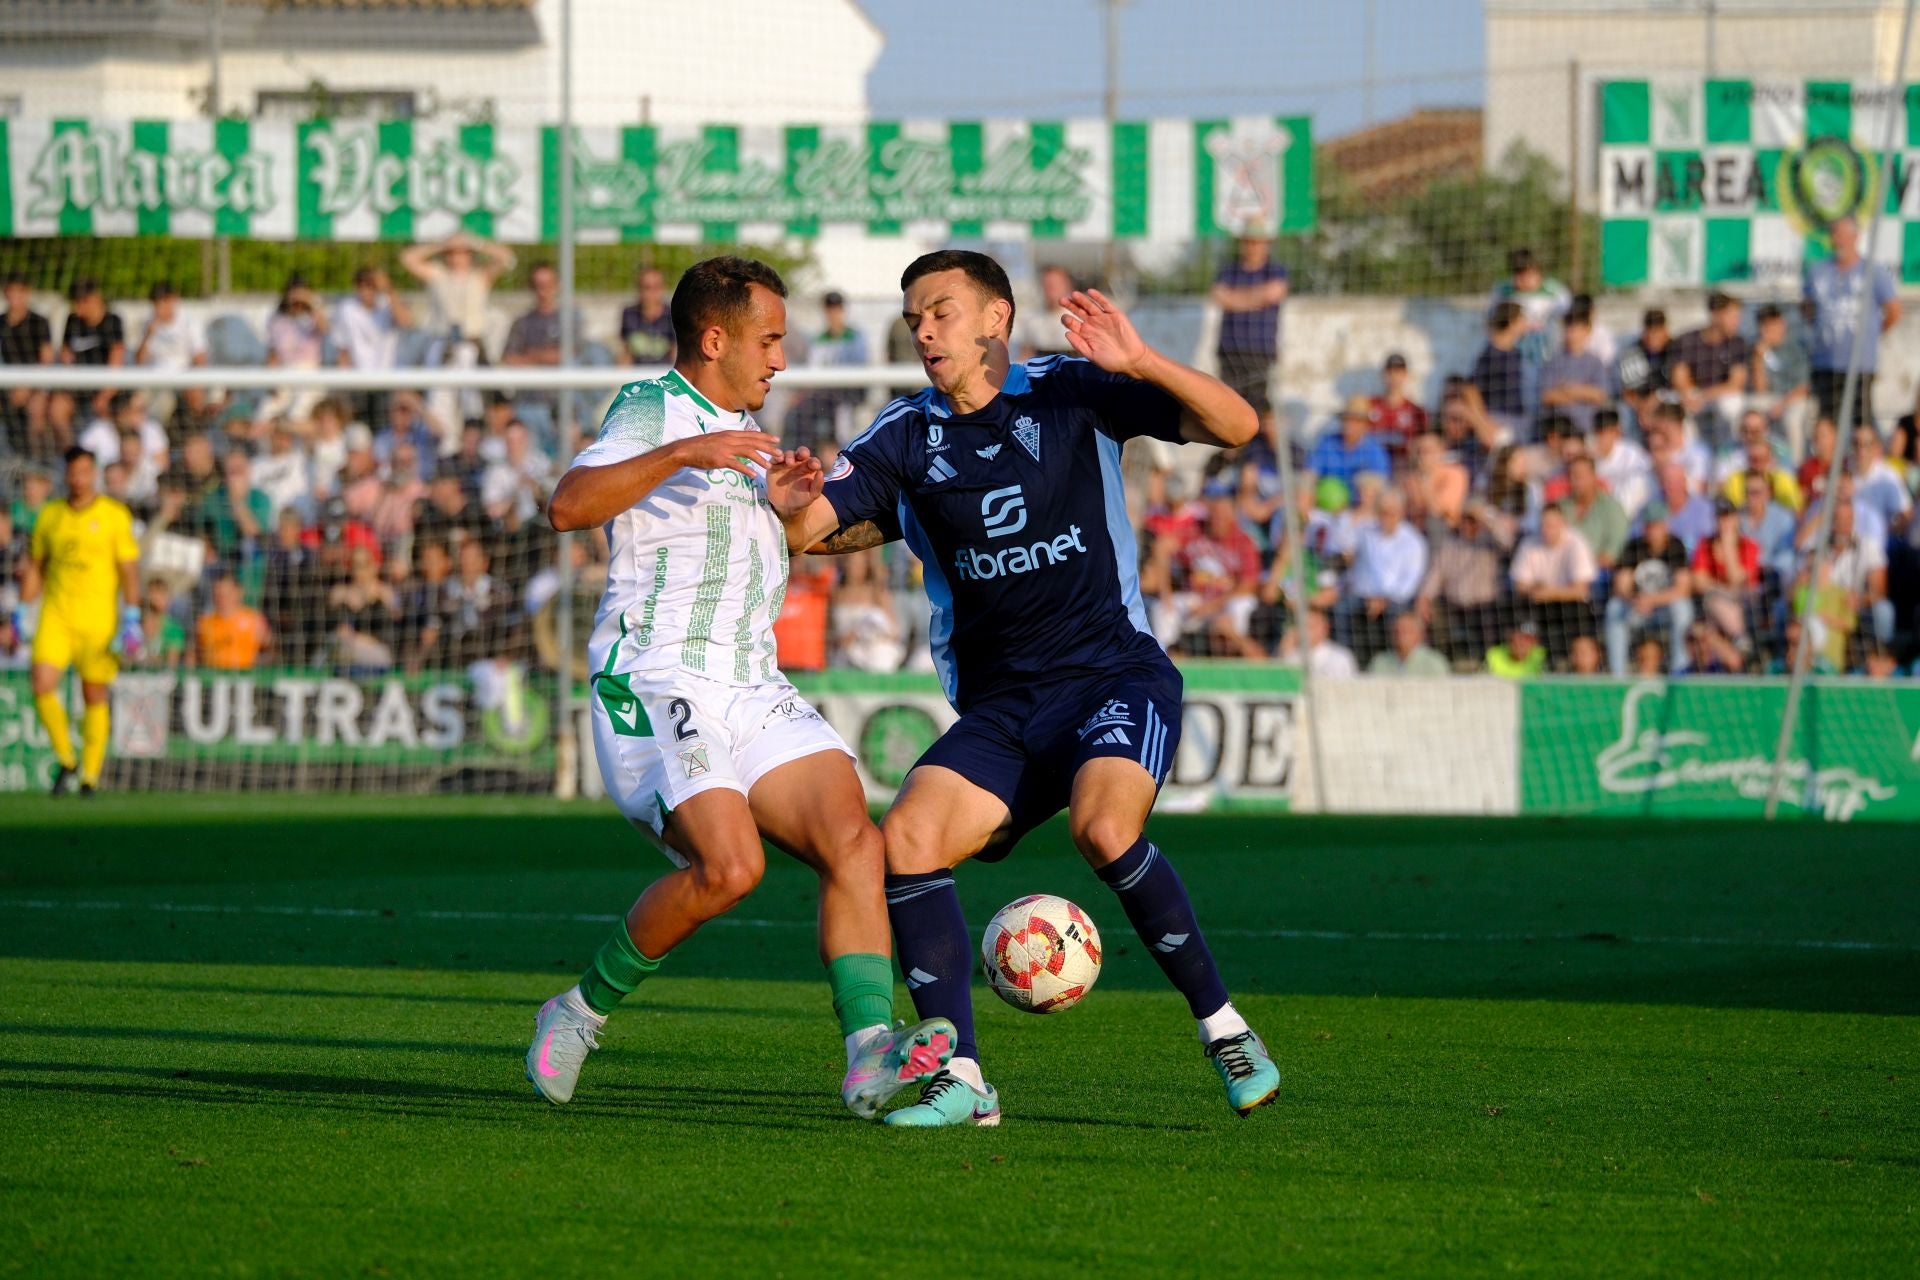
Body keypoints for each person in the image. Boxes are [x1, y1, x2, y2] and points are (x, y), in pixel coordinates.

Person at [766, 248, 1280, 1125]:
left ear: (996, 318)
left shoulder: (1073, 389)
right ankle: (960, 1078)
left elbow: (1238, 427)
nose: (924, 328)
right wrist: (788, 507)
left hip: (1112, 674)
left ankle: (1226, 1030)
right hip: (1004, 711)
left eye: (943, 310)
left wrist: (1144, 360)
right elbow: (814, 528)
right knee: (909, 838)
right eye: (914, 315)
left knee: (1103, 828)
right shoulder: (904, 436)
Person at [530, 255, 954, 1120]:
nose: (780, 359)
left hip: (751, 682)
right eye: (769, 339)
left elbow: (776, 542)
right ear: (714, 338)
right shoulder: (655, 408)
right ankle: (577, 1011)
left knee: (855, 844)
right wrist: (689, 448)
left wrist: (791, 506)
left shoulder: (751, 433)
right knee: (729, 869)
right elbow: (568, 505)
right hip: (657, 676)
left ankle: (870, 1054)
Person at [24, 446, 141, 795]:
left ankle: (90, 775)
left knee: (94, 694)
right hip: (56, 615)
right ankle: (67, 758)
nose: (78, 479)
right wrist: (19, 608)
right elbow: (37, 566)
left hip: (98, 619)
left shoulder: (113, 515)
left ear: (94, 473)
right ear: (66, 474)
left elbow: (129, 570)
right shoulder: (50, 515)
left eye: (85, 471)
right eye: (73, 472)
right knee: (42, 683)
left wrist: (132, 614)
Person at [1804, 215, 1902, 428]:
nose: (1836, 240)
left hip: (1859, 363)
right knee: (1828, 422)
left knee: (1862, 422)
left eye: (1841, 234)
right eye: (1833, 234)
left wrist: (1874, 332)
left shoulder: (1873, 272)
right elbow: (1807, 307)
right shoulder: (1818, 271)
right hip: (1826, 362)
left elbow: (1894, 310)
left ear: (1854, 237)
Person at [1603, 501, 1694, 676]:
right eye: (1649, 526)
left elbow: (1683, 588)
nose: (1653, 531)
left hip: (1664, 610)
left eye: (1657, 525)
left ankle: (1679, 671)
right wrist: (1636, 599)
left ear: (1665, 525)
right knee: (1614, 608)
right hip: (1637, 608)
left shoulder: (1676, 546)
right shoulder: (1633, 546)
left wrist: (1652, 600)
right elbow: (1621, 585)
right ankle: (1618, 675)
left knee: (1683, 609)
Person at [1209, 233, 1288, 423]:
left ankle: (1255, 448)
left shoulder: (1274, 270)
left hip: (1260, 351)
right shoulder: (1229, 269)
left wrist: (1236, 299)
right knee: (1228, 406)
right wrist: (1257, 298)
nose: (1252, 247)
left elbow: (1275, 292)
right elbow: (1218, 296)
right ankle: (1235, 451)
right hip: (1229, 351)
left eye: (1257, 242)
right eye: (1248, 241)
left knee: (1257, 407)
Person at [400, 230, 514, 357]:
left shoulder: (480, 276)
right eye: (451, 253)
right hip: (443, 341)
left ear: (470, 255)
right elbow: (407, 258)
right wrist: (441, 244)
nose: (456, 258)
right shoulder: (437, 274)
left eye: (462, 253)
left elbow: (506, 257)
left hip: (473, 340)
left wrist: (475, 242)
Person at [1510, 504, 1596, 660]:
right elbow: (1519, 584)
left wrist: (1550, 592)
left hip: (1571, 606)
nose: (1546, 529)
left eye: (1551, 525)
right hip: (1538, 603)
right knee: (1516, 613)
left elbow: (1581, 590)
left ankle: (1568, 661)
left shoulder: (1577, 544)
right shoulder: (1529, 544)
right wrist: (1536, 590)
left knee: (1576, 614)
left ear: (1563, 524)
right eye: (1543, 525)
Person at [48, 280, 125, 450]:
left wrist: (104, 396)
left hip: (107, 387)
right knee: (56, 408)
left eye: (81, 302)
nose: (77, 308)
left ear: (95, 299)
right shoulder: (73, 320)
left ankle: (114, 456)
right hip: (79, 386)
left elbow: (116, 361)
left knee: (118, 414)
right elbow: (65, 354)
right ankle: (71, 456)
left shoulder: (112, 321)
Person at [1669, 291, 1749, 446]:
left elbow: (1736, 383)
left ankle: (1728, 451)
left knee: (1732, 403)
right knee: (1673, 405)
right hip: (1692, 395)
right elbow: (1679, 376)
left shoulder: (1738, 343)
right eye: (1732, 317)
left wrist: (1702, 396)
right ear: (1715, 315)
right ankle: (1685, 453)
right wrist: (1690, 394)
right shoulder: (1687, 340)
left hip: (1716, 396)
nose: (1736, 322)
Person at [334, 266, 413, 425]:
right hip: (358, 383)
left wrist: (389, 289)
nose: (366, 291)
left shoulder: (387, 305)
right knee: (360, 430)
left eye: (371, 286)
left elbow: (405, 321)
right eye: (362, 286)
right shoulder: (347, 309)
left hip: (386, 381)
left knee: (384, 429)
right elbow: (343, 350)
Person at [134, 281, 211, 424]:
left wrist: (193, 384)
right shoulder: (148, 325)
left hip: (182, 379)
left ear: (173, 300)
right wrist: (148, 335)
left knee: (195, 396)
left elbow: (201, 360)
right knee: (136, 402)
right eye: (156, 304)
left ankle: (197, 432)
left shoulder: (190, 324)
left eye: (162, 303)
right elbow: (138, 361)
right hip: (154, 379)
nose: (158, 309)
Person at [1, 273, 55, 458]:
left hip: (35, 384)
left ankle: (37, 464)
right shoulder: (1, 323)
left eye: (19, 291)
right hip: (7, 385)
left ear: (26, 293)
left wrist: (27, 386)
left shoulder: (39, 322)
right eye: (11, 291)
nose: (14, 296)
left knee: (36, 409)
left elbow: (46, 360)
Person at [1487, 247, 1570, 366]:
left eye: (1526, 274)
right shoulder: (1502, 292)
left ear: (1536, 270)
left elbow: (1567, 322)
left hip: (1547, 353)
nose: (1522, 280)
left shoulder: (1556, 292)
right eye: (1517, 274)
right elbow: (1491, 321)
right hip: (1511, 354)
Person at [1750, 302, 1812, 457]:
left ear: (1782, 324)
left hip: (1795, 399)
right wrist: (1758, 358)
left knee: (1792, 418)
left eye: (1771, 326)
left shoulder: (1797, 346)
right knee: (1747, 412)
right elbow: (1760, 390)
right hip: (1770, 399)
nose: (1767, 332)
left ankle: (1795, 464)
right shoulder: (1757, 348)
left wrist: (1782, 404)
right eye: (1764, 327)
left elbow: (1804, 387)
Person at [1539, 306, 1611, 435]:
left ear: (1587, 331)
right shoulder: (1554, 361)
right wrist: (1583, 393)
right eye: (1568, 328)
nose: (1571, 333)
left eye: (1576, 329)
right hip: (1559, 427)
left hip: (1588, 427)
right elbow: (1547, 396)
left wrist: (1568, 389)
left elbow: (1600, 395)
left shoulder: (1595, 362)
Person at [1469, 300, 1534, 439]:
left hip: (1520, 420)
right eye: (1522, 320)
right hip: (1498, 419)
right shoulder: (1490, 354)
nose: (1526, 324)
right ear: (1511, 322)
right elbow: (1470, 390)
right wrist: (1484, 422)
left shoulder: (1516, 353)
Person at [1307, 396, 1392, 495]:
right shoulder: (1327, 443)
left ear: (1365, 425)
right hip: (1325, 503)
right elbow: (1310, 472)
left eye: (1355, 420)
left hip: (1359, 505)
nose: (1349, 424)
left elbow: (1379, 482)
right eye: (1346, 419)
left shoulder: (1375, 450)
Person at [192, 573, 271, 671]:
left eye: (226, 594)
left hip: (243, 679)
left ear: (238, 592)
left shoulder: (255, 620)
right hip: (212, 680)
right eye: (217, 594)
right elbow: (193, 655)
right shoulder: (204, 622)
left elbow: (270, 651)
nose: (221, 599)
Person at [1615, 308, 1673, 433]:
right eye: (1649, 332)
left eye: (1656, 332)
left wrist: (1657, 398)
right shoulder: (1632, 351)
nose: (1652, 338)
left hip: (1666, 401)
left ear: (1665, 331)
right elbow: (1628, 392)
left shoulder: (1676, 350)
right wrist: (1642, 409)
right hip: (1639, 406)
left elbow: (1678, 385)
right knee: (1624, 411)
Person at [1369, 353, 1429, 461]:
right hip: (1372, 465)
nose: (1394, 377)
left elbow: (1423, 445)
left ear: (1406, 375)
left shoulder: (1416, 411)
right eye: (1390, 372)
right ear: (1383, 374)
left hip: (1404, 467)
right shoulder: (1370, 406)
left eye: (1399, 372)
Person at [618, 265, 675, 366]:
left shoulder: (671, 316)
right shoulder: (629, 314)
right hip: (637, 374)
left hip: (663, 374)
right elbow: (626, 352)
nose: (651, 293)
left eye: (656, 287)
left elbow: (676, 354)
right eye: (646, 287)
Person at [1367, 610, 1448, 677]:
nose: (1400, 635)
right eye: (1396, 630)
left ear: (1419, 634)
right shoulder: (1379, 661)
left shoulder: (1434, 662)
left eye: (1406, 631)